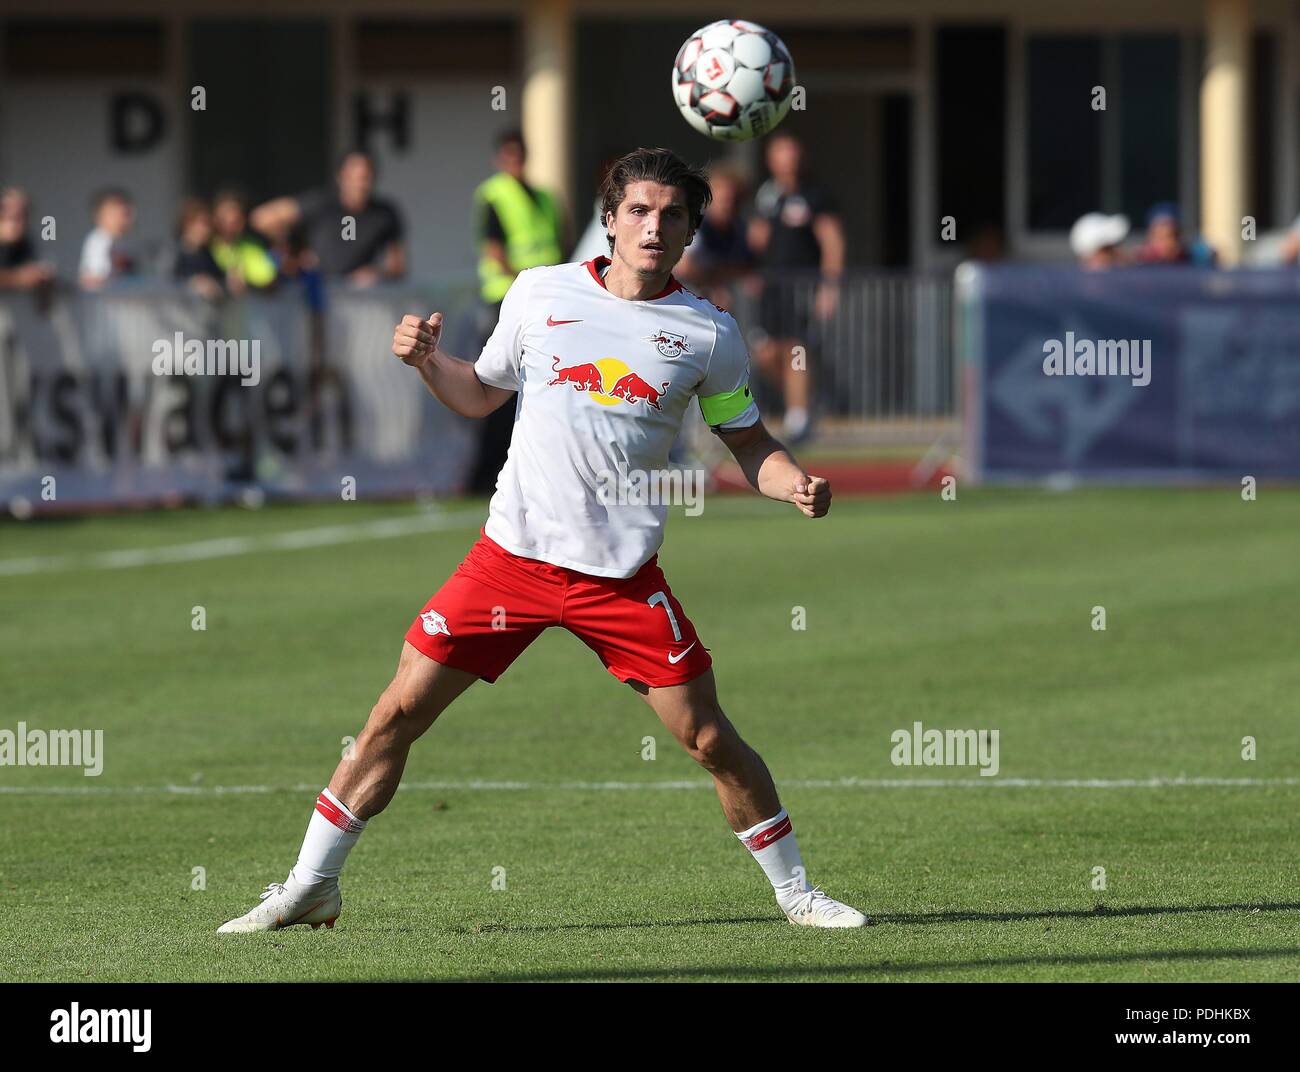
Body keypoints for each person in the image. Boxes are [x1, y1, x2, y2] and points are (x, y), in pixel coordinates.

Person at [218, 146, 866, 934]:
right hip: (509, 562)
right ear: (610, 219)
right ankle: (308, 885)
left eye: (671, 215)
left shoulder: (708, 334)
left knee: (706, 736)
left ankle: (797, 895)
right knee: (394, 715)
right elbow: (481, 392)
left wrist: (793, 482)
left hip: (619, 579)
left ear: (692, 229)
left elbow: (750, 443)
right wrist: (429, 362)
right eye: (638, 211)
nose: (653, 227)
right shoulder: (539, 292)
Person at [467, 130, 566, 494]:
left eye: (519, 155)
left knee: (542, 388)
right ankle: (484, 474)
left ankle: (527, 470)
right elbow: (493, 249)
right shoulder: (494, 195)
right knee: (497, 386)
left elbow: (561, 248)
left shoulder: (546, 198)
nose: (515, 162)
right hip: (505, 301)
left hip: (548, 306)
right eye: (508, 156)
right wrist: (528, 284)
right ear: (499, 159)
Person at [748, 133, 845, 442]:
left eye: (791, 152)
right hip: (772, 290)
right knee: (766, 353)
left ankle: (799, 419)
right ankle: (805, 399)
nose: (787, 160)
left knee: (796, 350)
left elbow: (832, 242)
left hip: (804, 287)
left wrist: (830, 287)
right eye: (780, 153)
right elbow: (757, 241)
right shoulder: (768, 195)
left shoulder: (816, 196)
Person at [250, 150, 405, 284]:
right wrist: (291, 251)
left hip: (358, 301)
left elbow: (397, 267)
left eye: (365, 177)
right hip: (314, 291)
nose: (360, 184)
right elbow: (262, 218)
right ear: (341, 176)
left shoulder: (384, 214)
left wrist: (376, 274)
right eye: (354, 177)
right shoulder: (321, 203)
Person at [676, 165, 756, 313]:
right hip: (687, 304)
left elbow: (745, 269)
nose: (729, 206)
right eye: (724, 200)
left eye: (735, 200)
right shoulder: (697, 226)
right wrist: (714, 280)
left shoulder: (740, 229)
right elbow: (684, 266)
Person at [210, 190, 278, 293]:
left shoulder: (254, 243)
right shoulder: (205, 247)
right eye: (224, 220)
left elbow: (268, 277)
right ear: (215, 218)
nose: (230, 226)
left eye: (236, 221)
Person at [78, 187, 138, 289]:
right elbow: (93, 278)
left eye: (126, 214)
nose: (122, 220)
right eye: (115, 214)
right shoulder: (99, 241)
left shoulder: (123, 242)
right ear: (99, 217)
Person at [0, 187, 55, 291]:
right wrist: (17, 278)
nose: (14, 220)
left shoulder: (27, 243)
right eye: (8, 212)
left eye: (22, 214)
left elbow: (40, 272)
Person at [172, 198, 224, 300]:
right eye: (203, 224)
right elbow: (164, 282)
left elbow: (218, 280)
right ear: (187, 223)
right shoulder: (171, 252)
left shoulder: (207, 255)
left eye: (209, 225)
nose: (207, 230)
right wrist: (191, 284)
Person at [1133, 202, 1216, 266]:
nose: (1165, 244)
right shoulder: (1137, 263)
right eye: (1158, 237)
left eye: (1170, 236)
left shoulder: (1193, 260)